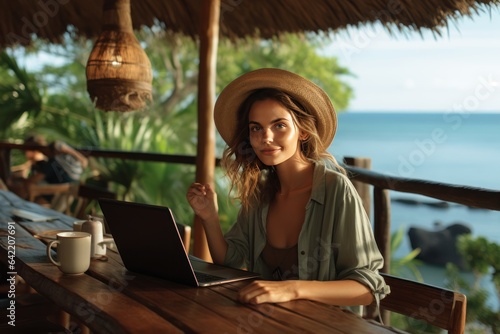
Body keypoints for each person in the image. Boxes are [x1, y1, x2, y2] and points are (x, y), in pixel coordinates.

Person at [186, 68, 389, 310]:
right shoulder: (260, 193)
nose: (266, 137)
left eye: (279, 125)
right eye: (256, 128)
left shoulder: (336, 189)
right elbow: (228, 259)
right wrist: (209, 217)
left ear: (302, 131)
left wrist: (293, 289)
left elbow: (368, 288)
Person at [8, 135, 88, 202]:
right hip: (58, 193)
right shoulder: (55, 163)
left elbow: (31, 182)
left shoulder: (53, 163)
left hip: (54, 196)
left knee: (26, 187)